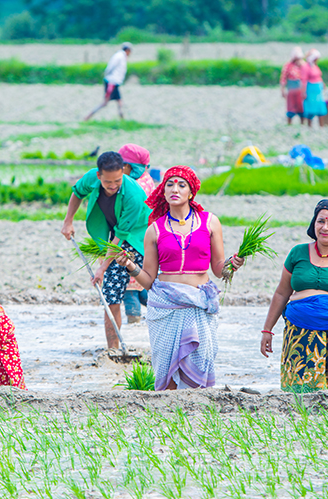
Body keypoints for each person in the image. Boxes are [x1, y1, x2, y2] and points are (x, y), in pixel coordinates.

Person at [114, 166, 243, 390]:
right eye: (170, 185)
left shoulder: (210, 222)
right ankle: (169, 415)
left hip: (199, 305)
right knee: (166, 367)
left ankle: (199, 415)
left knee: (201, 360)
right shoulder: (154, 229)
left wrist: (232, 265)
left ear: (191, 192)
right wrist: (130, 266)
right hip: (165, 306)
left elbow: (218, 269)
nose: (175, 189)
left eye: (181, 185)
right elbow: (148, 280)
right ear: (163, 192)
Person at [259, 200, 328, 394]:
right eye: (320, 221)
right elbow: (281, 292)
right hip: (298, 332)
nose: (324, 227)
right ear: (314, 224)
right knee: (297, 392)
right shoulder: (298, 253)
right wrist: (267, 329)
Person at [61, 151, 151, 349]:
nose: (112, 186)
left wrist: (102, 267)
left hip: (137, 236)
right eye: (108, 182)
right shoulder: (91, 177)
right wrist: (68, 222)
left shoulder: (134, 195)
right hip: (112, 231)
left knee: (116, 282)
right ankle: (113, 350)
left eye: (117, 181)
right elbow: (77, 192)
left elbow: (120, 238)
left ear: (123, 172)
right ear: (99, 175)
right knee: (112, 293)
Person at [119, 143, 156, 324]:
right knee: (141, 285)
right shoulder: (147, 179)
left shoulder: (132, 187)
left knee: (129, 289)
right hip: (147, 242)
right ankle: (163, 311)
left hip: (131, 241)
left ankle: (134, 322)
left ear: (127, 167)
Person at [85, 42, 132, 121]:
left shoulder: (122, 56)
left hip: (115, 82)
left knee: (119, 101)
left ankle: (122, 119)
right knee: (105, 102)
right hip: (112, 82)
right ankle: (88, 117)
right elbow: (111, 66)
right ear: (127, 50)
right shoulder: (119, 56)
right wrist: (107, 74)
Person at [280, 47, 308, 125]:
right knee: (290, 108)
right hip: (292, 89)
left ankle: (302, 124)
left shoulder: (304, 65)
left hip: (301, 89)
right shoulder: (288, 65)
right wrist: (282, 90)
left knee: (301, 108)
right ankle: (289, 124)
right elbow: (283, 78)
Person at [302, 49, 327, 127]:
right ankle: (310, 126)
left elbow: (318, 76)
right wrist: (303, 92)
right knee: (311, 107)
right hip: (311, 89)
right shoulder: (306, 66)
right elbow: (304, 80)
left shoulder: (315, 66)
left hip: (318, 90)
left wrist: (322, 83)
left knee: (320, 107)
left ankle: (321, 126)